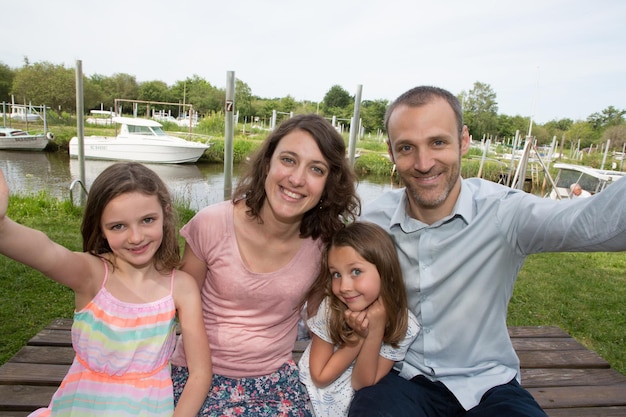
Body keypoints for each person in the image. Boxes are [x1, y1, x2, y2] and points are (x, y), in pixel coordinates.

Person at [349, 86, 626, 417]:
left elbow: (589, 222)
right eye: (407, 147)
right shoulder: (373, 221)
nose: (424, 163)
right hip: (399, 377)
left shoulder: (504, 213)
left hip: (488, 385)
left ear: (463, 140)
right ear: (391, 153)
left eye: (438, 142)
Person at [169, 113, 361, 416]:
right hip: (195, 374)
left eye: (316, 169)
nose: (297, 179)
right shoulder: (210, 224)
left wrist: (366, 318)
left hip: (273, 383)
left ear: (329, 183)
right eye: (288, 160)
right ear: (268, 161)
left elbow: (320, 317)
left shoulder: (326, 245)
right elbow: (177, 308)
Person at [0, 162, 212, 417]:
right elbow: (45, 252)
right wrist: (3, 227)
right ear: (100, 227)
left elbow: (200, 373)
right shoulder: (91, 274)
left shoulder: (182, 287)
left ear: (165, 214)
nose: (136, 237)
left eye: (147, 220)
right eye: (118, 226)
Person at [299, 221, 419, 417]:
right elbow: (320, 377)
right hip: (308, 398)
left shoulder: (403, 324)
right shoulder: (331, 308)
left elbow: (362, 383)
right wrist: (359, 336)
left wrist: (376, 331)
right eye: (336, 274)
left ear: (385, 271)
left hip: (355, 408)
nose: (344, 286)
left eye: (356, 272)